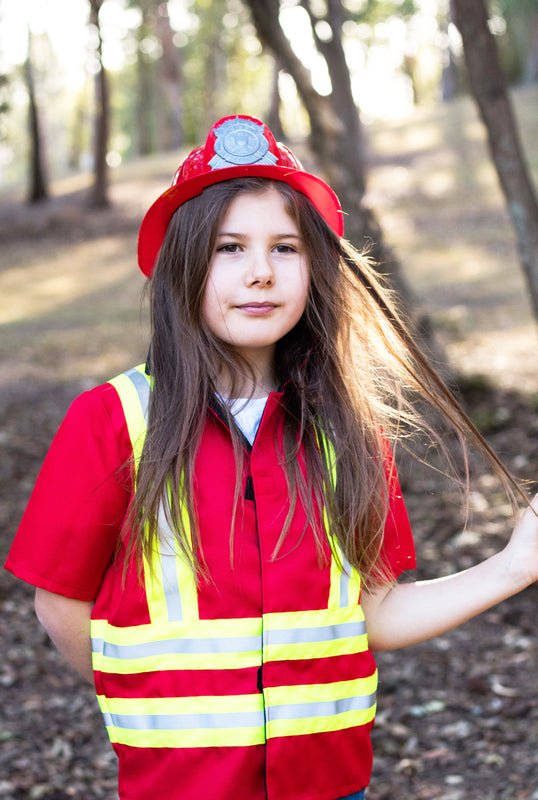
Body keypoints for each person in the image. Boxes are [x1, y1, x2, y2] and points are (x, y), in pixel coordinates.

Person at [4, 114, 538, 800]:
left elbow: (376, 613)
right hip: (181, 785)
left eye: (285, 248)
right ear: (184, 265)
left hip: (329, 784)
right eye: (230, 247)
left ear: (315, 267)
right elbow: (60, 606)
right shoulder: (112, 422)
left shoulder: (349, 432)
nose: (260, 273)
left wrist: (516, 565)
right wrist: (148, 696)